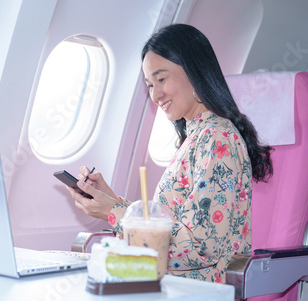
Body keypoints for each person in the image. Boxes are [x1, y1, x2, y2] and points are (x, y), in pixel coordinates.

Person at [66, 24, 273, 283]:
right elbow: (169, 225)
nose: (155, 95)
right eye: (150, 85)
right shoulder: (196, 137)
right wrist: (112, 201)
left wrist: (114, 213)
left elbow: (199, 246)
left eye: (161, 79)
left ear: (195, 73)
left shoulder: (217, 139)